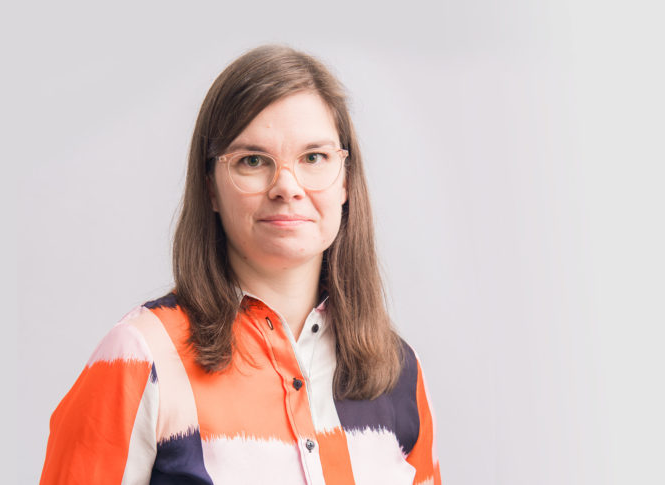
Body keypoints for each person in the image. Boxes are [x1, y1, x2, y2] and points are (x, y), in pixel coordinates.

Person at [40, 45, 441, 485]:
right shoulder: (140, 356)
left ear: (346, 180)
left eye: (313, 157)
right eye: (253, 160)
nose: (287, 186)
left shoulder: (399, 372)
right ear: (211, 187)